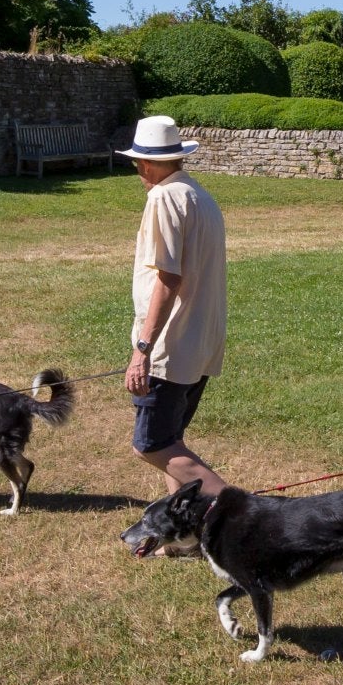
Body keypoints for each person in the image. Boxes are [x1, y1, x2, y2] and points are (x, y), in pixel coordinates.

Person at [120, 113, 228, 504]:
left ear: (146, 163)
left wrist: (142, 351)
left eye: (137, 165)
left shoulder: (164, 197)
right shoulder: (197, 193)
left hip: (172, 345)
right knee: (171, 440)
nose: (138, 173)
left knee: (149, 445)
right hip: (199, 341)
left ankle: (243, 512)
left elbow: (168, 279)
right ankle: (180, 536)